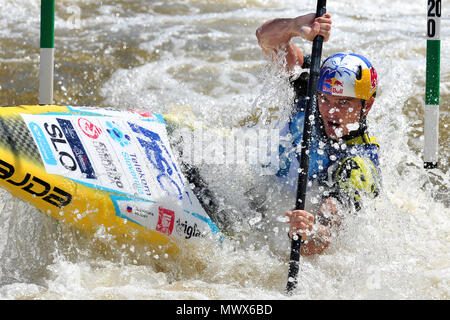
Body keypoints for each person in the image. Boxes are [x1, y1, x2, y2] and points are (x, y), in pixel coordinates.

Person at [256, 13, 381, 256]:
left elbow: (324, 239)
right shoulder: (311, 87)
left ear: (367, 106)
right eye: (325, 99)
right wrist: (295, 27)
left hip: (280, 219)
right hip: (260, 190)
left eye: (344, 103)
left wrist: (307, 232)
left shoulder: (357, 164)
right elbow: (266, 38)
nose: (330, 110)